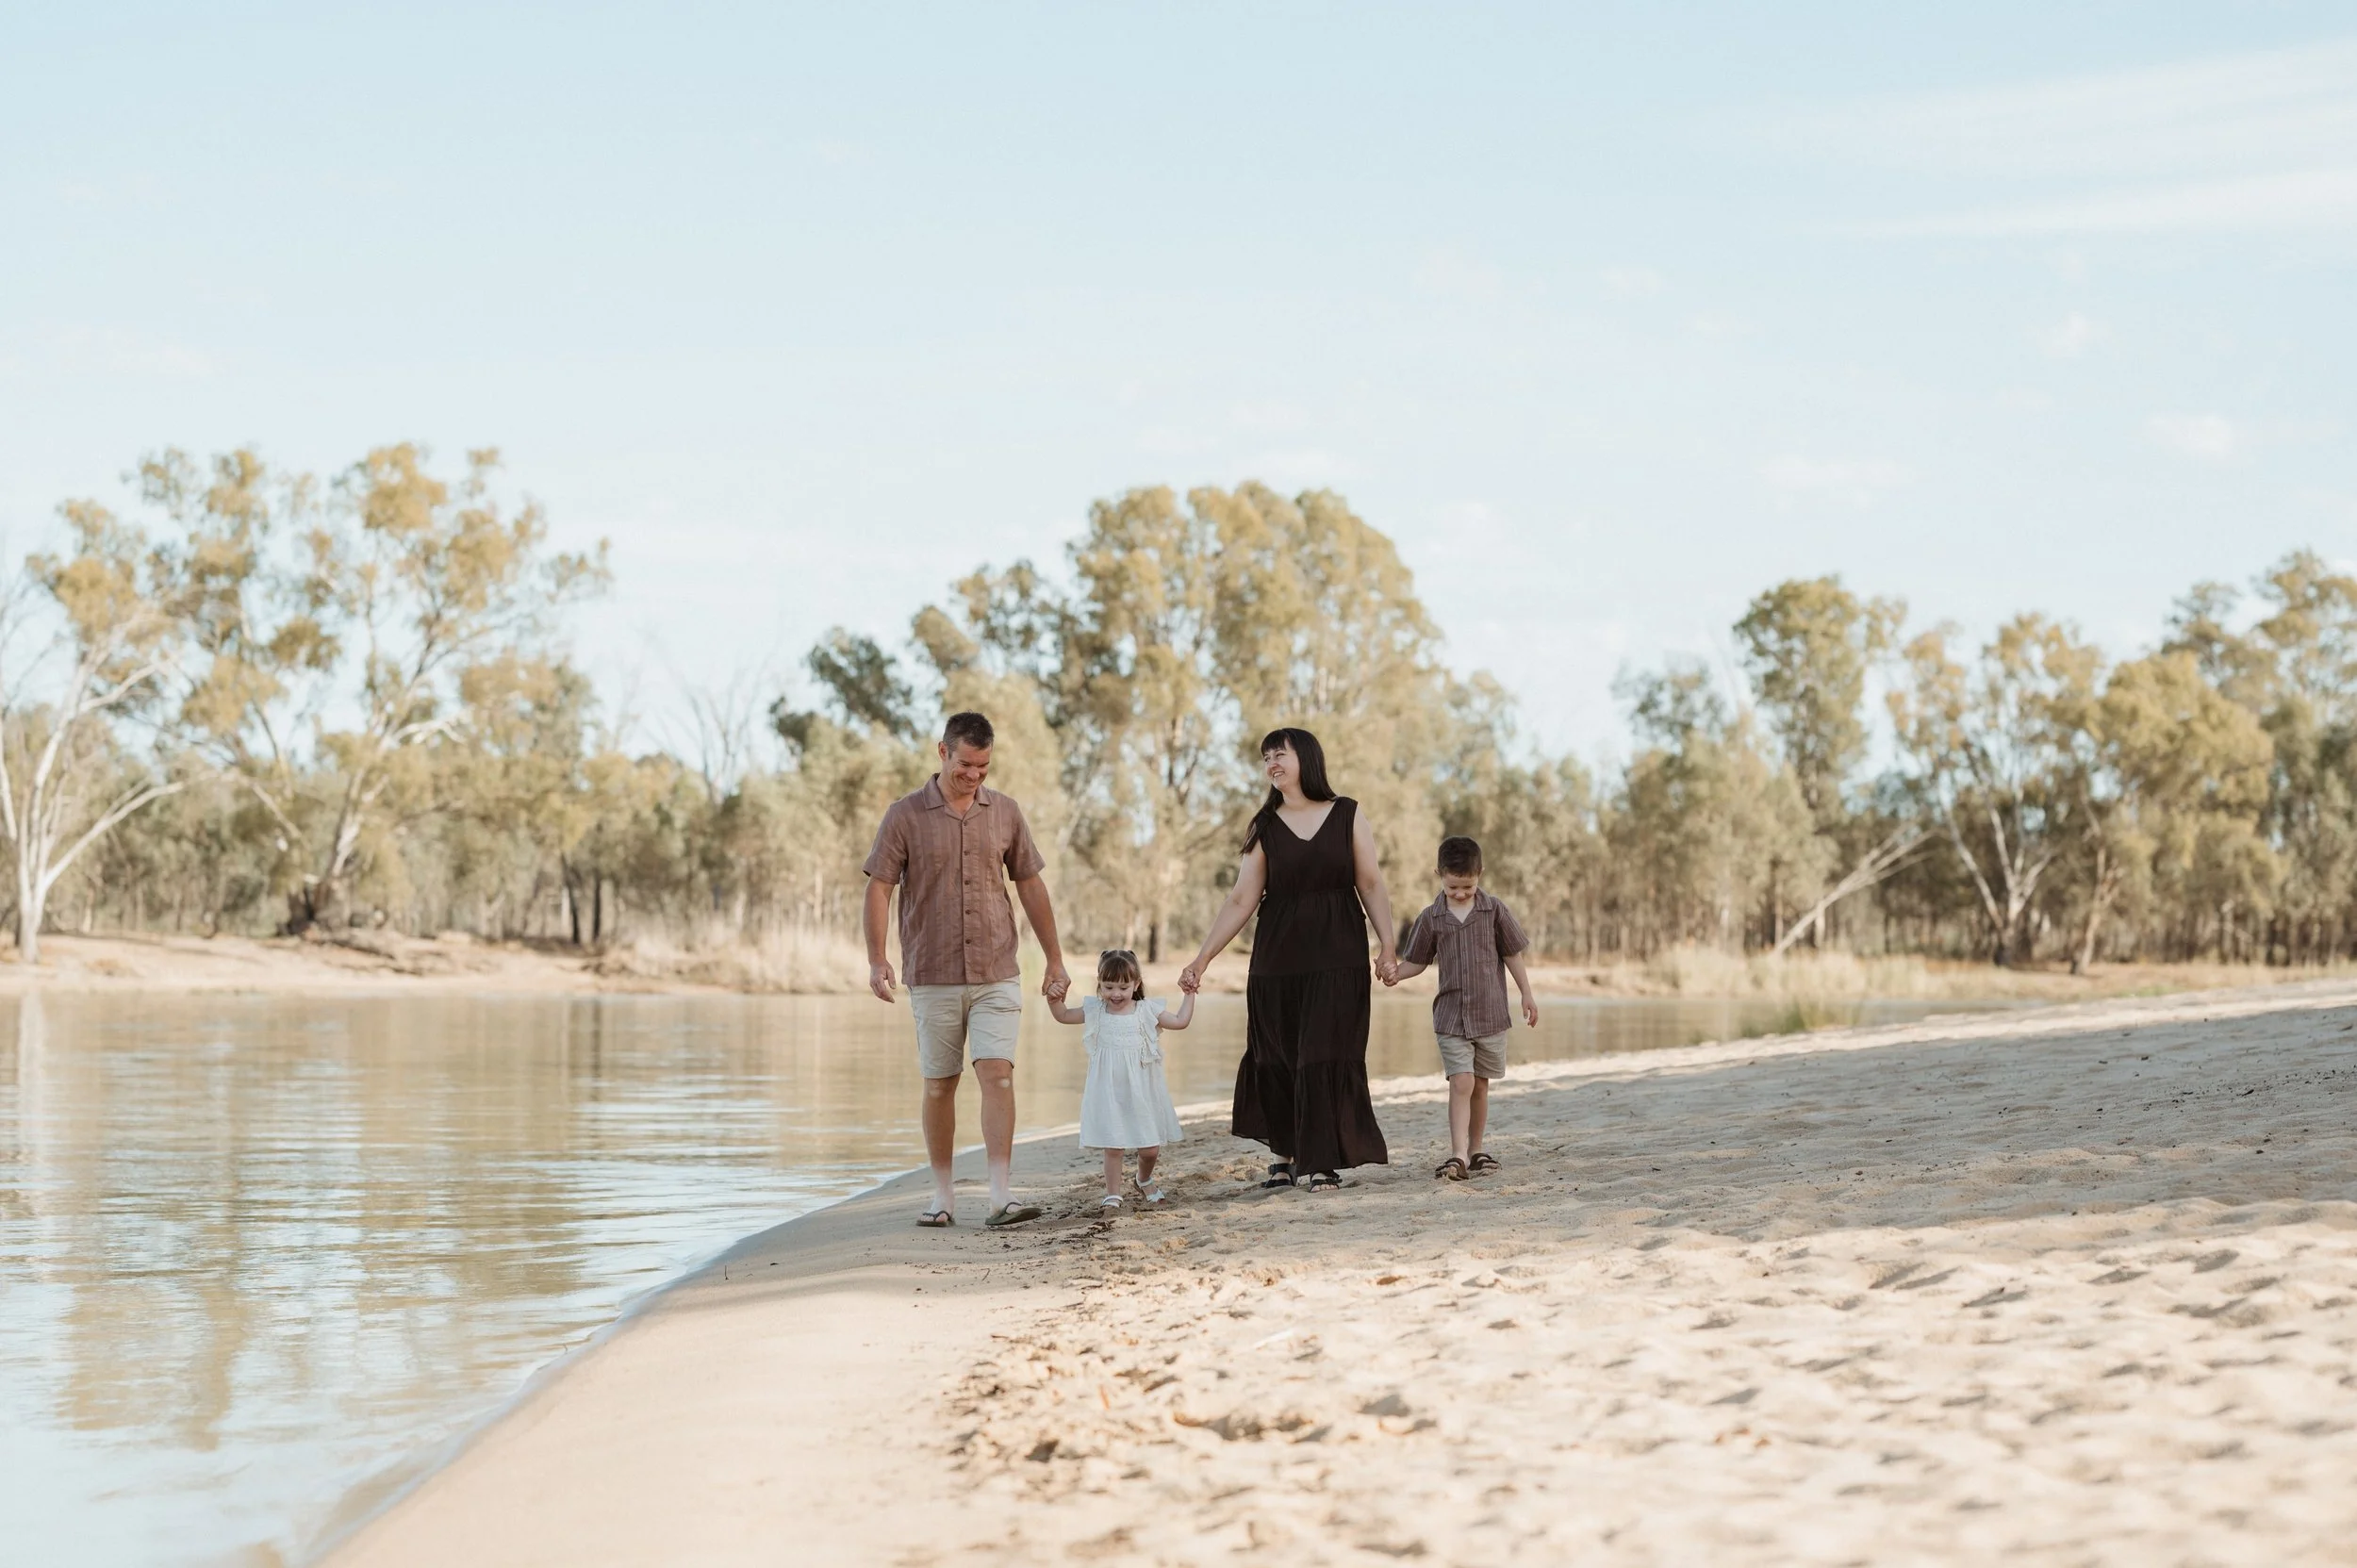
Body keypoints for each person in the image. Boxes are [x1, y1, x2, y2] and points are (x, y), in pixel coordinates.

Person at [864, 710, 1072, 1229]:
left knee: (996, 1075)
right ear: (942, 752)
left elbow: (1029, 884)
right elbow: (879, 888)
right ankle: (941, 1196)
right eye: (965, 765)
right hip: (932, 972)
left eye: (983, 767)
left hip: (996, 968)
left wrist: (1054, 958)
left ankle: (1001, 1197)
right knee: (940, 1084)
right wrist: (876, 958)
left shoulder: (1005, 812)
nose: (975, 775)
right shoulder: (905, 815)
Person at [1179, 727, 1399, 1192]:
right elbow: (1241, 899)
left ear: (1308, 758)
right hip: (1276, 963)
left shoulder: (1348, 814)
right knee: (1277, 1059)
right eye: (1266, 758)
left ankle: (1320, 1160)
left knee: (1325, 1055)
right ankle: (1283, 1157)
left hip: (1339, 958)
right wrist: (1202, 959)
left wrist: (1388, 945)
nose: (1272, 763)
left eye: (1280, 753)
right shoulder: (1264, 825)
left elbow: (1372, 884)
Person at [1387, 834, 1539, 1180]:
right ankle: (1457, 1155)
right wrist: (1397, 974)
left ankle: (1476, 1149)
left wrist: (1526, 993)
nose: (1460, 894)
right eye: (1453, 886)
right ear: (1439, 874)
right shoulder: (1431, 918)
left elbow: (1512, 954)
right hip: (1451, 1017)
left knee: (1480, 1084)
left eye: (1467, 887)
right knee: (1462, 1081)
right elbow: (1418, 962)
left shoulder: (1494, 909)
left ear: (1480, 875)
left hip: (1490, 1014)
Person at [1047, 949, 1192, 1210]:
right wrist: (1054, 1000)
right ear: (1099, 984)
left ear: (1136, 984)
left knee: (1149, 1149)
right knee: (1113, 1145)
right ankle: (1113, 1193)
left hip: (1143, 1092)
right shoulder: (1096, 1011)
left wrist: (1189, 995)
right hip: (1109, 1091)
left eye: (1123, 987)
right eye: (1108, 986)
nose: (1116, 993)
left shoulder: (1146, 1010)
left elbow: (1181, 1021)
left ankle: (1143, 1179)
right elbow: (1063, 1016)